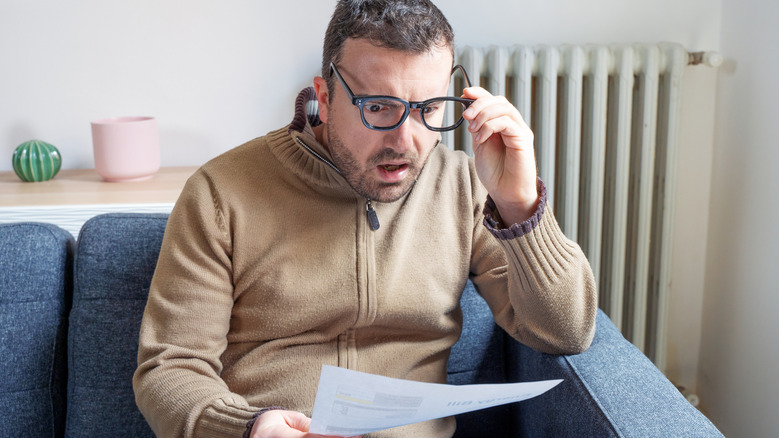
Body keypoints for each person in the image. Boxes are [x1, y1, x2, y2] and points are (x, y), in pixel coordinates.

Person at [133, 0, 598, 437]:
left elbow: (568, 331)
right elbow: (170, 368)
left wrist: (519, 206)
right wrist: (248, 426)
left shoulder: (465, 186)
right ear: (325, 95)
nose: (404, 139)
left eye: (428, 110)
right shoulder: (221, 193)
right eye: (377, 107)